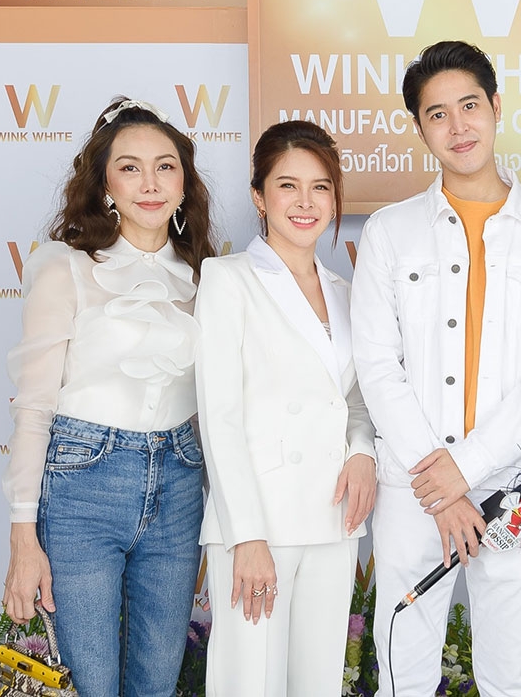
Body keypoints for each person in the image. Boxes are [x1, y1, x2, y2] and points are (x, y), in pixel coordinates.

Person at [350, 41, 521, 697]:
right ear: (419, 127)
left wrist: (467, 467)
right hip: (414, 489)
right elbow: (377, 364)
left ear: (496, 107)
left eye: (469, 106)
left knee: (510, 677)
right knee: (403, 670)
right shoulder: (390, 232)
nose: (457, 127)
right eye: (437, 114)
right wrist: (442, 482)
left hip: (515, 488)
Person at [2, 97, 217, 695]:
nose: (150, 183)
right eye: (129, 167)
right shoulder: (65, 269)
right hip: (82, 487)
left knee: (158, 682)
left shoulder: (208, 277)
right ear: (104, 185)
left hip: (180, 484)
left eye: (165, 167)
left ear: (184, 183)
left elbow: (219, 407)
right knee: (87, 683)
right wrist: (23, 536)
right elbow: (34, 409)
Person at [194, 120, 377, 697]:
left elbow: (354, 399)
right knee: (249, 682)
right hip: (259, 521)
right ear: (259, 196)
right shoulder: (227, 280)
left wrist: (363, 452)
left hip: (334, 516)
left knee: (317, 682)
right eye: (287, 186)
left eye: (320, 187)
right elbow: (219, 417)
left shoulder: (347, 292)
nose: (305, 202)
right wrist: (246, 537)